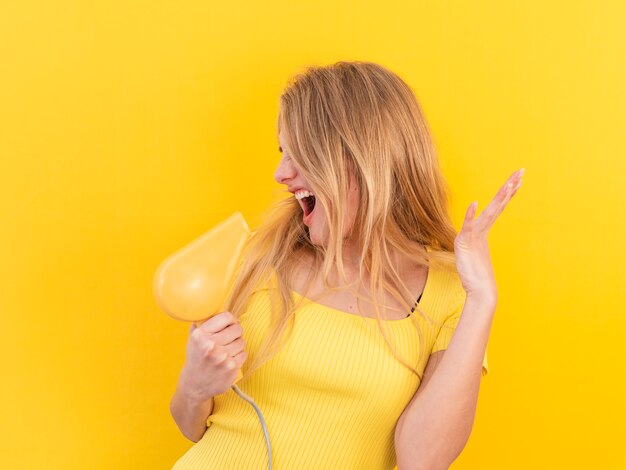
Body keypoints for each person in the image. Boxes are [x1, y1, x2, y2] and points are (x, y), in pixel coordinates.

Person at [169, 61, 523, 469]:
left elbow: (422, 462)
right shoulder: (253, 256)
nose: (280, 173)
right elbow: (190, 426)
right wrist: (195, 386)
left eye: (299, 154)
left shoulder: (450, 295)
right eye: (282, 152)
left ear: (360, 160)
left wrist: (482, 299)